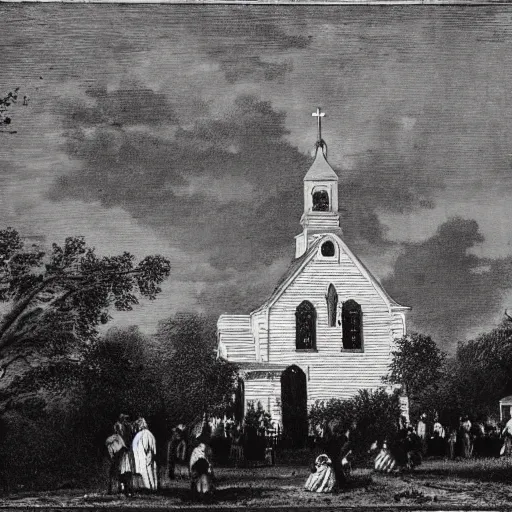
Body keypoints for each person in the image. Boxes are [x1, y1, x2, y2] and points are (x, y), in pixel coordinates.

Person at [132, 417, 158, 492]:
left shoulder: (141, 434)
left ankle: (148, 487)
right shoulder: (150, 433)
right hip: (150, 453)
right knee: (151, 469)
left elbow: (138, 446)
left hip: (143, 454)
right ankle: (153, 486)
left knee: (145, 470)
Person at [189, 429, 215, 498]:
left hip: (200, 470)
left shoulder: (196, 450)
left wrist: (191, 471)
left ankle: (202, 492)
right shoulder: (206, 449)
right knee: (203, 479)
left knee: (202, 479)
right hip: (200, 470)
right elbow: (210, 462)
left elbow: (192, 462)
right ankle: (203, 491)